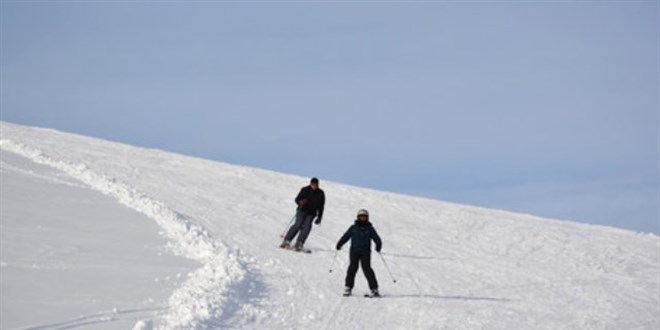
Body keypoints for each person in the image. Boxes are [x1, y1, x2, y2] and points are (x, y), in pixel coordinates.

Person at [336, 209, 382, 297]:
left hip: (365, 252)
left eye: (364, 217)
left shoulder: (370, 228)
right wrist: (340, 243)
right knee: (352, 268)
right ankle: (348, 287)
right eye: (361, 217)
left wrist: (378, 245)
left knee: (367, 269)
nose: (362, 218)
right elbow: (346, 236)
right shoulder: (353, 228)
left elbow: (376, 238)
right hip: (354, 251)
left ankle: (374, 289)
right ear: (358, 217)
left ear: (367, 218)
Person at [280, 177, 325, 251]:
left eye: (315, 185)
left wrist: (319, 217)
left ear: (318, 185)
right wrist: (301, 202)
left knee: (307, 227)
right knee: (298, 224)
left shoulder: (321, 193)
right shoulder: (305, 190)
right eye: (312, 184)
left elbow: (321, 206)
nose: (314, 186)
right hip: (302, 210)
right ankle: (287, 240)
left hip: (311, 213)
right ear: (310, 184)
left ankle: (299, 243)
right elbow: (297, 199)